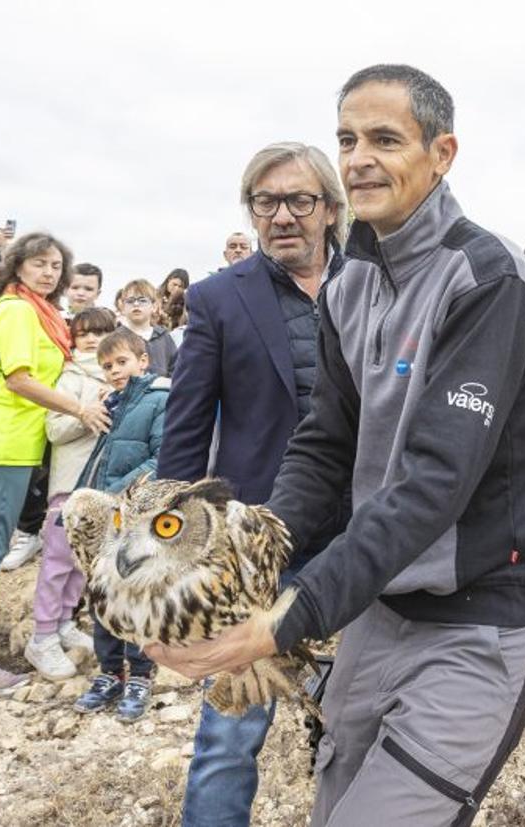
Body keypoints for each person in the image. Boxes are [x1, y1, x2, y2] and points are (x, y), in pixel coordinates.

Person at [147, 64, 525, 827]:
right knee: (333, 804)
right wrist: (252, 556)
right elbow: (325, 448)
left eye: (384, 138)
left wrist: (286, 617)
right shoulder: (349, 286)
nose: (360, 156)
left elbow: (435, 480)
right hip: (382, 608)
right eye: (347, 138)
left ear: (442, 153)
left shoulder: (487, 277)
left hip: (479, 612)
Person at [157, 141, 347, 827]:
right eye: (265, 202)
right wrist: (173, 548)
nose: (282, 216)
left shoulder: (379, 285)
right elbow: (183, 433)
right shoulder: (217, 298)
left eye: (299, 200)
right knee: (231, 729)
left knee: (367, 713)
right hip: (257, 542)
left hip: (372, 538)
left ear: (331, 208)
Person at [0, 232, 110, 702]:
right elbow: (19, 379)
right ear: (16, 266)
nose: (50, 272)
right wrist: (80, 410)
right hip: (5, 441)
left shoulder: (41, 311)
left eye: (56, 264)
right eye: (39, 263)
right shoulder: (16, 310)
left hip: (18, 441)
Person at [71, 328, 169, 721]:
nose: (114, 371)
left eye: (122, 362)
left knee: (138, 595)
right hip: (104, 519)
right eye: (107, 366)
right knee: (102, 594)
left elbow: (162, 457)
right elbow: (101, 457)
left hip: (136, 516)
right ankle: (109, 671)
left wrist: (116, 495)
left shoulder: (160, 398)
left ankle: (141, 675)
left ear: (143, 360)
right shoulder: (113, 402)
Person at [23, 308, 115, 681]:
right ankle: (42, 634)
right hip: (69, 485)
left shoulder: (117, 375)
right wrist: (86, 415)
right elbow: (55, 430)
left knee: (82, 563)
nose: (91, 340)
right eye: (82, 334)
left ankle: (63, 622)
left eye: (99, 332)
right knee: (58, 561)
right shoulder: (71, 378)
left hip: (101, 488)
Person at [117, 279, 178, 378]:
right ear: (123, 307)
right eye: (130, 301)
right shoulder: (116, 338)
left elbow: (176, 369)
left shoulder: (164, 337)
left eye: (142, 300)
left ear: (154, 306)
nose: (136, 304)